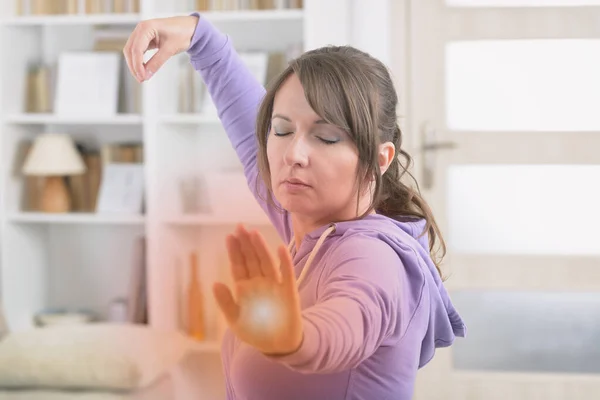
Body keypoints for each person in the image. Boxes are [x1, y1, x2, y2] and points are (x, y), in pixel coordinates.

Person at [124, 12, 466, 400]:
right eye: (282, 130)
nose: (293, 154)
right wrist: (200, 39)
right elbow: (248, 125)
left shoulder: (372, 255)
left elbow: (346, 323)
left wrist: (297, 340)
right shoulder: (309, 223)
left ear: (380, 158)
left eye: (326, 137)